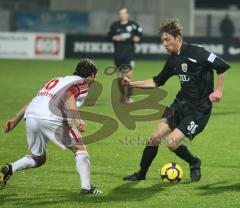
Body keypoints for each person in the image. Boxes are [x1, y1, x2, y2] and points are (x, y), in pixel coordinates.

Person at [122, 18, 230, 182]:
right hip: (179, 104)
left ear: (178, 38)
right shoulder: (172, 59)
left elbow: (222, 66)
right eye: (163, 41)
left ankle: (194, 162)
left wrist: (219, 91)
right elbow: (157, 81)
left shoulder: (198, 52)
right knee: (155, 137)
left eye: (167, 39)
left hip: (199, 109)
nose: (164, 44)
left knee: (171, 143)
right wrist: (132, 84)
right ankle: (141, 174)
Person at [0, 59, 102, 195]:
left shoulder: (57, 80)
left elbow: (36, 99)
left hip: (32, 115)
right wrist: (78, 119)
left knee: (38, 158)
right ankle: (86, 188)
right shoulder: (83, 83)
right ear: (91, 76)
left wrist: (15, 119)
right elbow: (70, 95)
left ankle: (10, 168)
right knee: (80, 149)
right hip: (51, 116)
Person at [108, 8, 143, 103]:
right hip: (118, 54)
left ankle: (129, 96)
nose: (122, 15)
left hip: (129, 54)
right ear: (119, 15)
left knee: (129, 74)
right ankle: (123, 95)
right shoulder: (114, 26)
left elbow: (140, 35)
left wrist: (138, 38)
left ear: (127, 14)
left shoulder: (133, 25)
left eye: (124, 13)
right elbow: (108, 36)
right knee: (120, 76)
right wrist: (113, 37)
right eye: (120, 14)